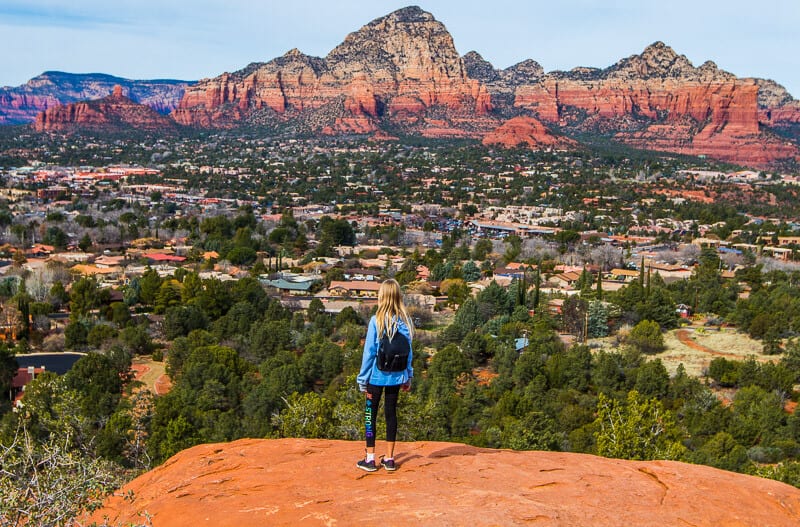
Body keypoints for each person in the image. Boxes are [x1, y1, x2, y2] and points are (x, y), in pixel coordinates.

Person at [356, 279, 414, 472]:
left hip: (375, 376)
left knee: (369, 415)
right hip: (396, 376)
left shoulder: (376, 320)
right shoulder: (404, 322)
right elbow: (409, 352)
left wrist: (362, 379)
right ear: (398, 296)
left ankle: (370, 458)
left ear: (382, 296)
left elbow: (369, 352)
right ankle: (389, 458)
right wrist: (408, 376)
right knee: (391, 414)